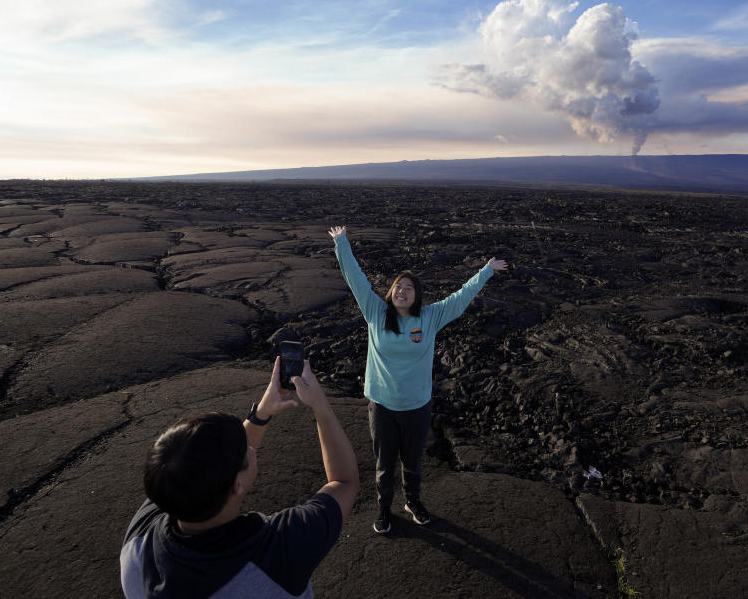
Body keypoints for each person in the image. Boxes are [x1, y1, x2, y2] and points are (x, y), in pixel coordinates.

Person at [120, 357, 358, 599]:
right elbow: (344, 481)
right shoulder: (282, 550)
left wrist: (261, 414)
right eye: (245, 451)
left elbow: (206, 465)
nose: (250, 447)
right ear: (237, 484)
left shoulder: (139, 543)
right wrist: (320, 404)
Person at [328, 225, 506, 534]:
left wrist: (486, 271)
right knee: (384, 466)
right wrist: (341, 243)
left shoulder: (430, 317)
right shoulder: (375, 311)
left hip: (416, 406)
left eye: (408, 287)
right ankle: (384, 509)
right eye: (398, 286)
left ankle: (412, 501)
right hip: (382, 405)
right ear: (391, 291)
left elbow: (460, 298)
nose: (401, 290)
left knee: (412, 462)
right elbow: (355, 279)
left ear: (417, 294)